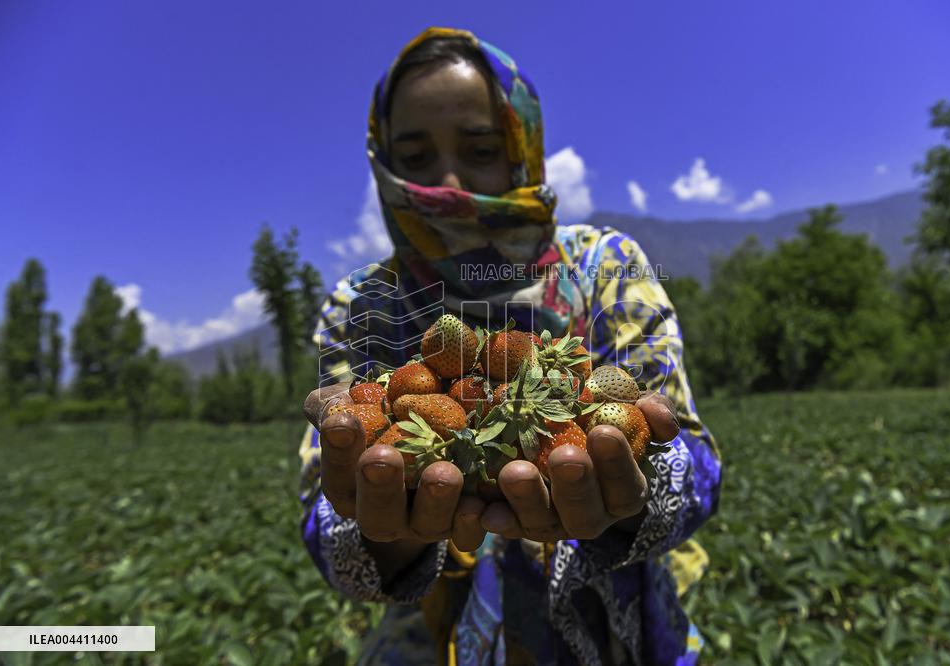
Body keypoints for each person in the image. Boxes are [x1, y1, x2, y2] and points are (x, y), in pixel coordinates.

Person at [298, 27, 722, 666]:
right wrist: (381, 531)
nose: (447, 182)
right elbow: (329, 528)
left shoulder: (604, 267)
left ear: (522, 150)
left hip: (617, 638)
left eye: (480, 149)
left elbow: (692, 459)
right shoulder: (363, 303)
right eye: (414, 158)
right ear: (383, 165)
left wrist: (639, 491)